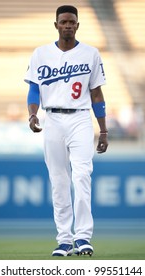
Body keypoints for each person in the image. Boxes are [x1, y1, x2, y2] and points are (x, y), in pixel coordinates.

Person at [25, 5, 108, 257]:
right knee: (58, 180)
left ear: (78, 25)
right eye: (64, 21)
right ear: (56, 25)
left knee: (82, 175)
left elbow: (96, 93)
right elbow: (34, 89)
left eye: (72, 21)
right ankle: (64, 240)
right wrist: (32, 113)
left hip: (81, 118)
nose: (68, 25)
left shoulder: (90, 53)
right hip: (52, 119)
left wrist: (103, 130)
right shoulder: (41, 54)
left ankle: (83, 237)